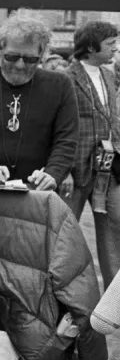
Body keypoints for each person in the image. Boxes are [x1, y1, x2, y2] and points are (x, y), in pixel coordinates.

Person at [0, 14, 78, 191]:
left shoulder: (60, 85)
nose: (20, 65)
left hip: (39, 191)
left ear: (42, 55)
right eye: (12, 57)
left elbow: (66, 139)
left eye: (30, 59)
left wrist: (53, 172)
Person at [63, 21, 120, 291]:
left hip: (107, 169)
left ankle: (114, 304)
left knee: (111, 237)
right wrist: (63, 171)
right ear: (90, 46)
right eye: (110, 44)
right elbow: (61, 126)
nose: (115, 49)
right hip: (76, 169)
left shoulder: (109, 76)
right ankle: (60, 294)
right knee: (63, 234)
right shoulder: (67, 77)